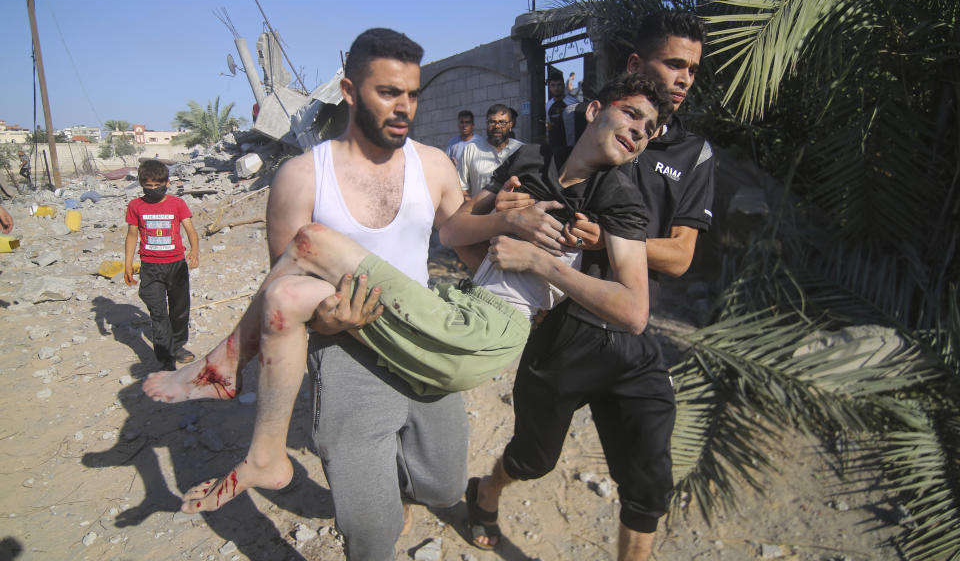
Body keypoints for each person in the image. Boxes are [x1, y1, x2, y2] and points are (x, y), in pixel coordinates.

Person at [144, 69, 668, 515]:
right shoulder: (530, 160)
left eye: (650, 131)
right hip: (459, 303)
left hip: (493, 329)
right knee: (287, 298)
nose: (639, 133)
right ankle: (267, 456)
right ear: (597, 108)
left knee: (309, 242)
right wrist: (508, 218)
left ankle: (225, 365)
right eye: (633, 116)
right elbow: (454, 231)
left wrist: (538, 261)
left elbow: (634, 310)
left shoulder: (619, 197)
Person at [143, 28, 467, 560]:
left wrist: (513, 218)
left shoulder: (433, 164)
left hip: (424, 342)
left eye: (412, 94)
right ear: (349, 89)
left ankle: (224, 367)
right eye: (388, 92)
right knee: (368, 530)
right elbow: (285, 288)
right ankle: (366, 515)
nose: (404, 107)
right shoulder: (300, 176)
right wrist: (332, 321)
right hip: (345, 352)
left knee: (443, 486)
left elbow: (461, 238)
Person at [468, 10, 715, 561]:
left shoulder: (693, 155)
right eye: (674, 63)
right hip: (563, 330)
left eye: (692, 70)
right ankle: (486, 490)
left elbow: (678, 257)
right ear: (634, 65)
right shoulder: (581, 128)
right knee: (534, 458)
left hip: (633, 334)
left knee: (649, 479)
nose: (683, 78)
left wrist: (610, 240)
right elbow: (526, 199)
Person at [124, 160, 199, 370]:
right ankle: (166, 358)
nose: (154, 191)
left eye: (158, 186)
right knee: (158, 313)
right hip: (150, 267)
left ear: (167, 182)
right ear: (141, 184)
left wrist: (194, 251)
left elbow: (190, 230)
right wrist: (127, 264)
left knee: (179, 311)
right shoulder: (135, 206)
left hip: (176, 266)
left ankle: (177, 346)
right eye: (148, 187)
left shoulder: (177, 204)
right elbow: (131, 235)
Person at [457, 103, 523, 198]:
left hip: (512, 212)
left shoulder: (520, 150)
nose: (497, 126)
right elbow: (461, 188)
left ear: (510, 125)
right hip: (479, 212)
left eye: (502, 122)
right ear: (487, 124)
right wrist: (470, 208)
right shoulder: (471, 149)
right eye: (492, 122)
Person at [545, 68, 579, 151]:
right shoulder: (548, 105)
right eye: (553, 85)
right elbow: (548, 125)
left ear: (563, 85)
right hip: (555, 147)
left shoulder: (574, 102)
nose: (556, 88)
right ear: (549, 87)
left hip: (572, 147)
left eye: (559, 85)